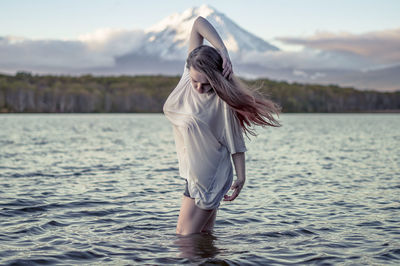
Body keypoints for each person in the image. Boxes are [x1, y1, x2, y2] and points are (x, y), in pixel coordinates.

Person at [163, 16, 281, 236]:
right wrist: (221, 49)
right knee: (201, 239)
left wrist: (241, 177)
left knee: (185, 240)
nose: (198, 87)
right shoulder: (188, 78)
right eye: (195, 80)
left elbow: (235, 141)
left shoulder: (221, 101)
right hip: (192, 174)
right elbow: (198, 23)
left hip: (210, 176)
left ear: (216, 79)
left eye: (206, 84)